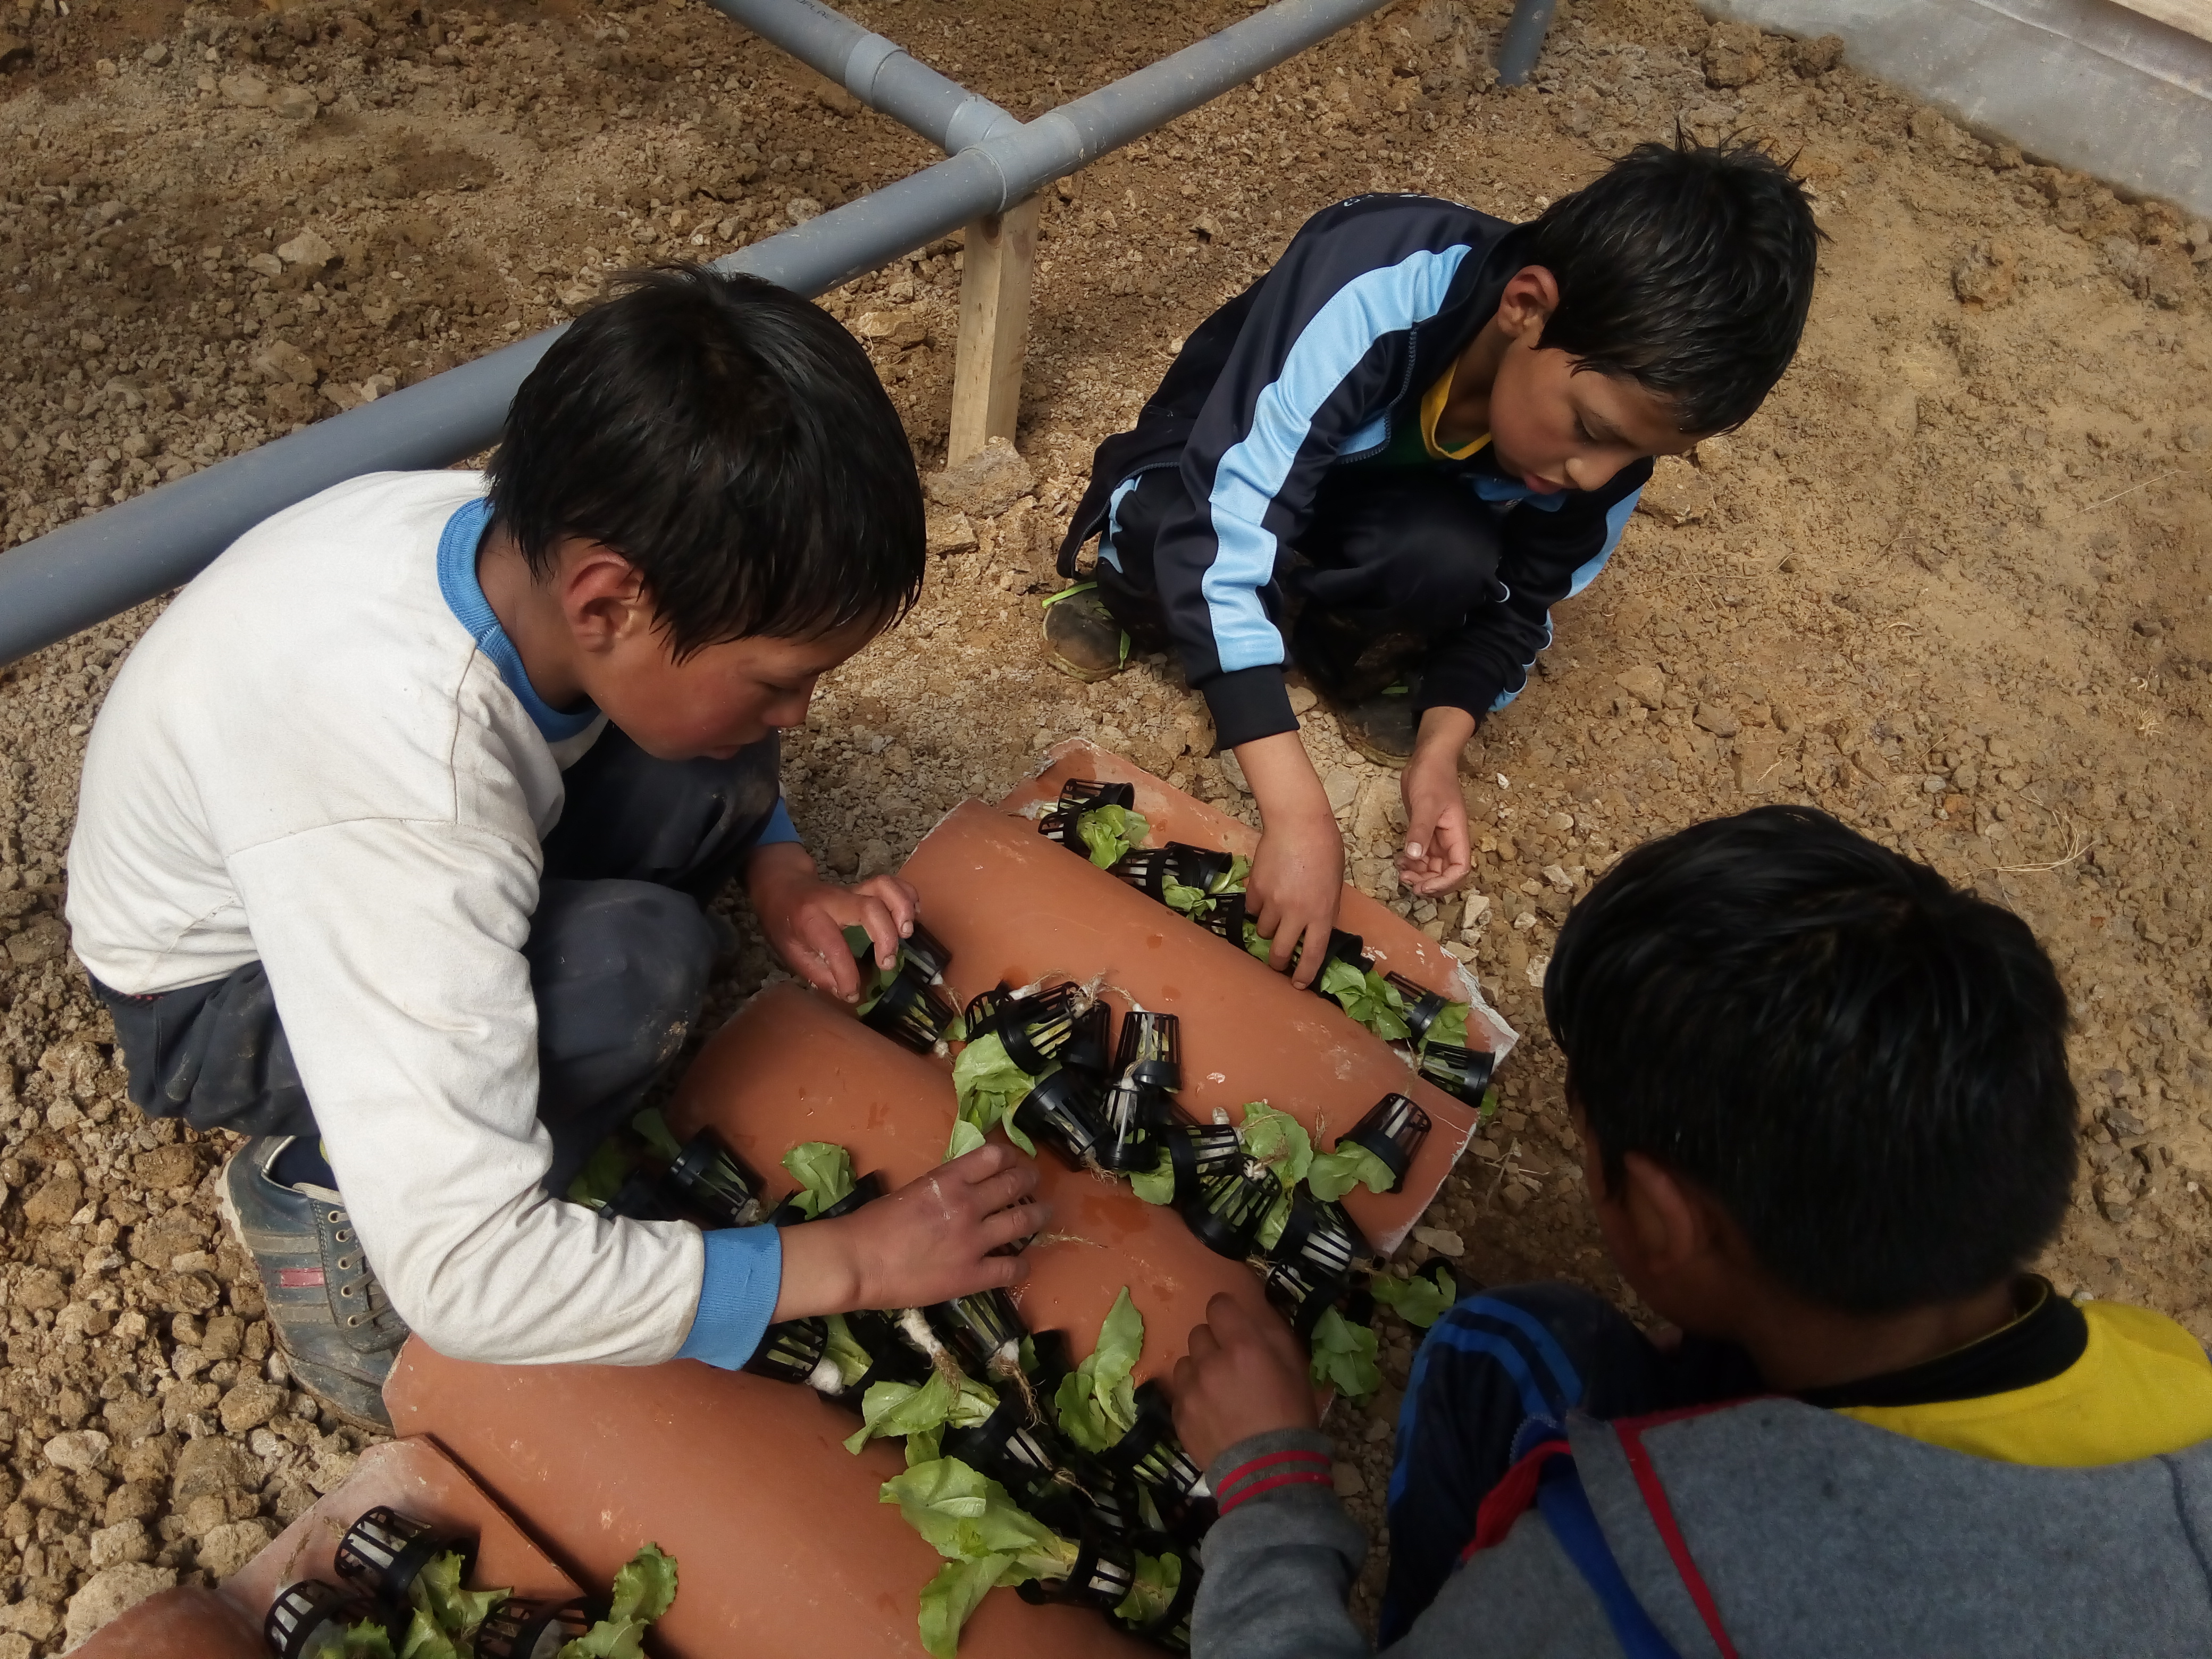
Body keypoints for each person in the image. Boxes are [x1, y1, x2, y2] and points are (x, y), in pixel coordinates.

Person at [66, 267, 1046, 1428]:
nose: (802, 714)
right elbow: (470, 1278)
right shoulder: (402, 777)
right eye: (782, 678)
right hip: (214, 995)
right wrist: (853, 1263)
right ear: (607, 602)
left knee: (713, 752)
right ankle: (318, 1188)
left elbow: (704, 729)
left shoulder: (527, 545)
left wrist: (780, 869)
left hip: (350, 842)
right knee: (633, 975)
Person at [1169, 806, 2212, 1656]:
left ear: (1666, 1223)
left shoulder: (1608, 1587)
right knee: (1507, 1348)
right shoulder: (2170, 1386)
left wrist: (1268, 1489)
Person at [1048, 140, 1819, 986]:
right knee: (1168, 539)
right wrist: (1299, 815)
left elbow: (1521, 608)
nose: (1596, 476)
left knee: (1444, 559)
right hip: (1216, 467)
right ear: (1526, 307)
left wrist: (1441, 746)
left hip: (1370, 507)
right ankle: (1134, 589)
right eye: (1592, 431)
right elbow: (1223, 525)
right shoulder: (1375, 283)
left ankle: (1310, 634)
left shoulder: (1611, 444)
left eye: (1638, 456)